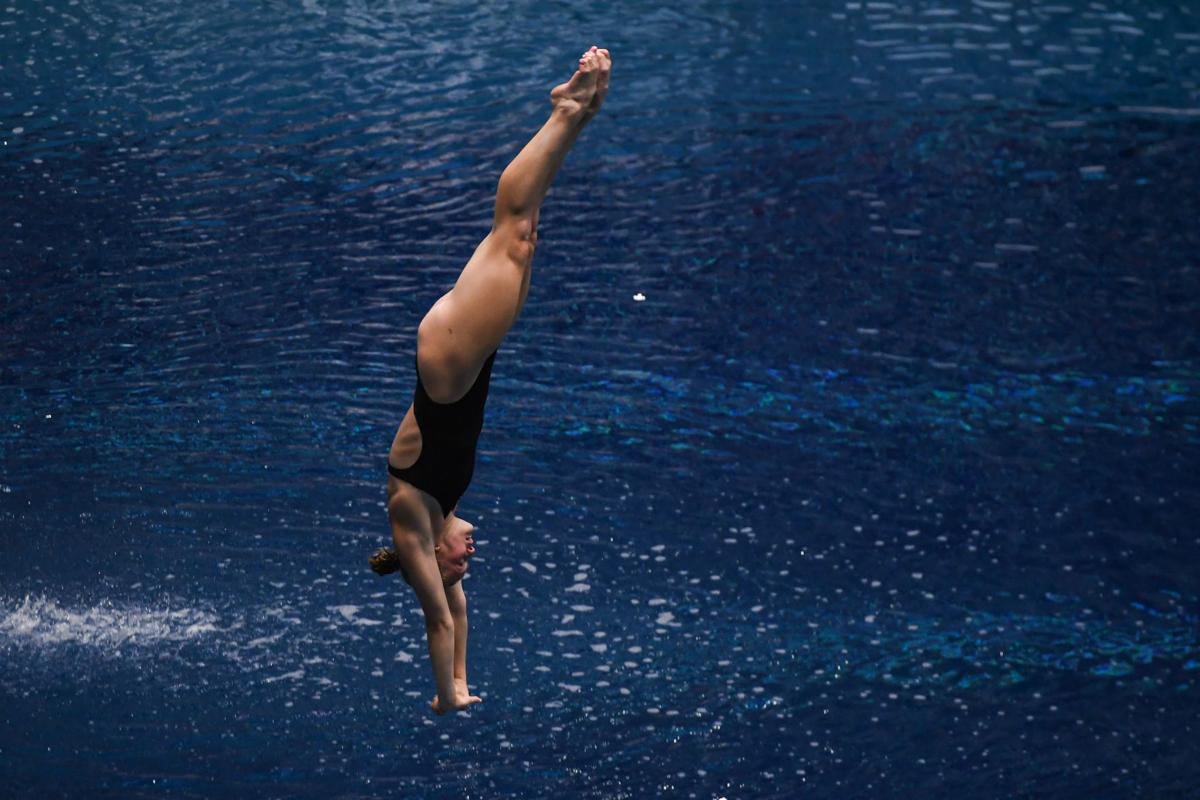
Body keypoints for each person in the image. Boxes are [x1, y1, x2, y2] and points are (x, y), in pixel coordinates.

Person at [368, 46, 612, 715]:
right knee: (525, 235)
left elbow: (440, 619)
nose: (470, 553)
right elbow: (461, 609)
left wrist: (447, 697)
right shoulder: (435, 518)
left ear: (428, 557)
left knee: (511, 230)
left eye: (457, 562)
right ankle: (577, 119)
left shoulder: (409, 514)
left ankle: (563, 111)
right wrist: (470, 680)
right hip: (464, 366)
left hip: (447, 363)